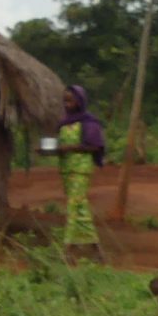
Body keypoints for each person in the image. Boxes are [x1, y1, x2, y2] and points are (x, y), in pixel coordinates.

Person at [55, 84, 105, 254]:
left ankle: (68, 247)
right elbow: (62, 146)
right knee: (80, 206)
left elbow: (94, 147)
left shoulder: (89, 123)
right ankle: (95, 247)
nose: (66, 104)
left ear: (80, 100)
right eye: (65, 101)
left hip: (81, 169)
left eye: (70, 100)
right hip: (67, 170)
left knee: (73, 205)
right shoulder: (63, 124)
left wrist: (69, 148)